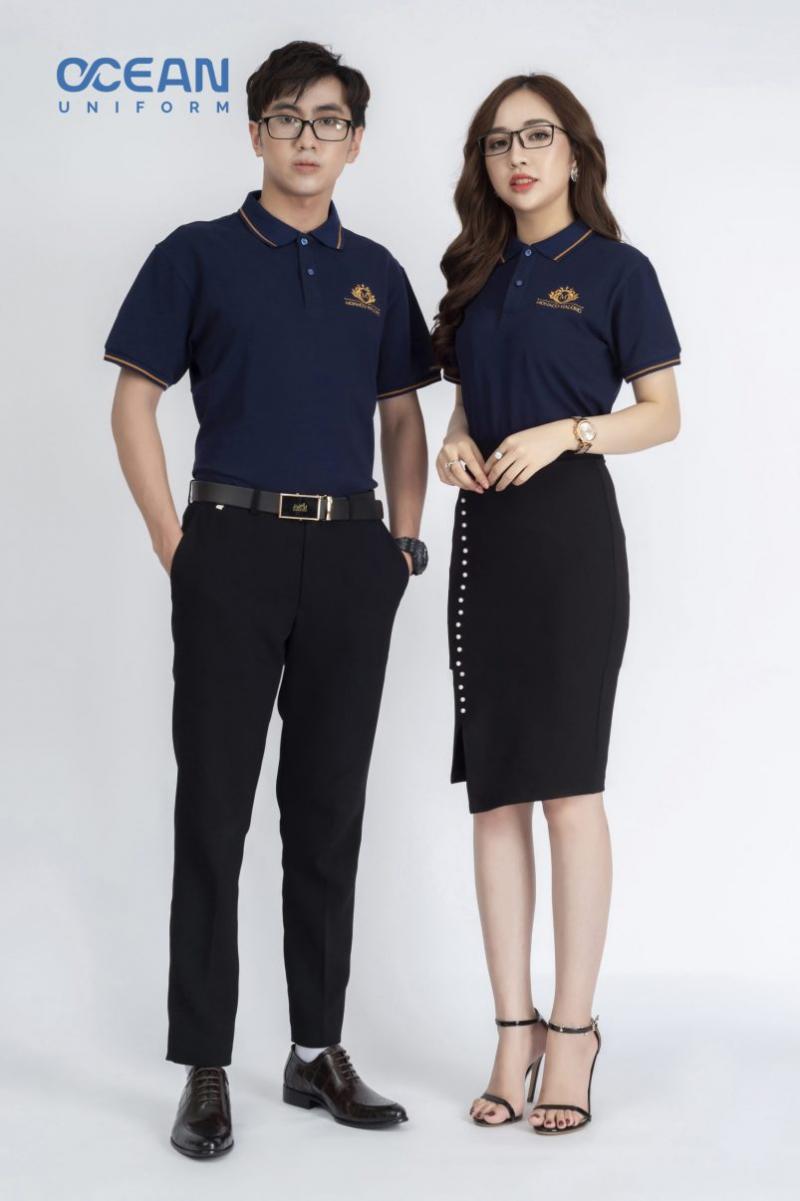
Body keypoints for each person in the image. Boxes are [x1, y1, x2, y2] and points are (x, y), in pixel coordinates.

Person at [102, 39, 438, 1158]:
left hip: (350, 555)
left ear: (355, 142)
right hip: (230, 546)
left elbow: (402, 415)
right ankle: (205, 1063)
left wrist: (401, 544)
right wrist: (175, 543)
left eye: (329, 120)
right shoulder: (196, 254)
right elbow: (135, 401)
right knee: (214, 808)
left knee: (327, 811)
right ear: (254, 132)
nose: (307, 137)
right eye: (287, 117)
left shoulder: (376, 271)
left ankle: (315, 1050)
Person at [432, 72, 681, 1135]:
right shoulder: (474, 272)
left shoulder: (618, 270)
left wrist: (569, 432)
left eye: (536, 137)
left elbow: (661, 413)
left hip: (573, 540)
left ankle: (573, 1030)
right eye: (498, 142)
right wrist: (453, 441)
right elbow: (466, 400)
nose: (518, 157)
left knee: (567, 791)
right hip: (484, 539)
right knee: (495, 796)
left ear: (573, 152)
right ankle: (512, 1028)